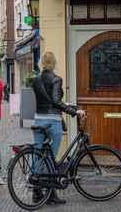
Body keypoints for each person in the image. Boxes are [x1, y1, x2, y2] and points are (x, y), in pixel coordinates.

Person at [31, 52, 85, 205]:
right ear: (54, 63)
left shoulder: (35, 80)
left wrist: (68, 105)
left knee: (38, 156)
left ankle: (37, 192)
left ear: (42, 63)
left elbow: (48, 100)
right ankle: (50, 194)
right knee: (50, 158)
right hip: (52, 121)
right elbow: (55, 101)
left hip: (38, 119)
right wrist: (74, 112)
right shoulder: (56, 79)